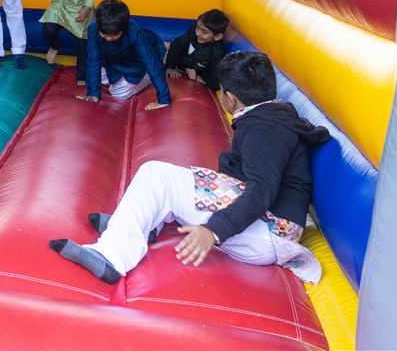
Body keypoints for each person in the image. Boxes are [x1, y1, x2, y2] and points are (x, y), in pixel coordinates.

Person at [50, 51, 329, 285]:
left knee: (156, 175)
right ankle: (135, 225)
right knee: (181, 177)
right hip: (271, 225)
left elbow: (262, 191)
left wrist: (214, 230)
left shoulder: (263, 131)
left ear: (231, 98)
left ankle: (111, 256)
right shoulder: (271, 114)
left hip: (269, 233)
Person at [80, 0, 170, 109]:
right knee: (95, 78)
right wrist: (93, 93)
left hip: (138, 61)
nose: (108, 38)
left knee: (118, 93)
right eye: (104, 34)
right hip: (113, 58)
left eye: (114, 35)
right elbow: (93, 60)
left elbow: (151, 62)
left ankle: (146, 76)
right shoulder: (93, 28)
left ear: (124, 27)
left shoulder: (134, 31)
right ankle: (121, 75)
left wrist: (164, 99)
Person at [164, 8, 229, 90]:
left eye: (204, 32)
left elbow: (216, 83)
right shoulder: (194, 31)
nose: (197, 33)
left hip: (197, 77)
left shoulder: (217, 52)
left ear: (217, 36)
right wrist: (169, 67)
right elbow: (176, 45)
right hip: (180, 68)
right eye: (197, 27)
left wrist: (198, 77)